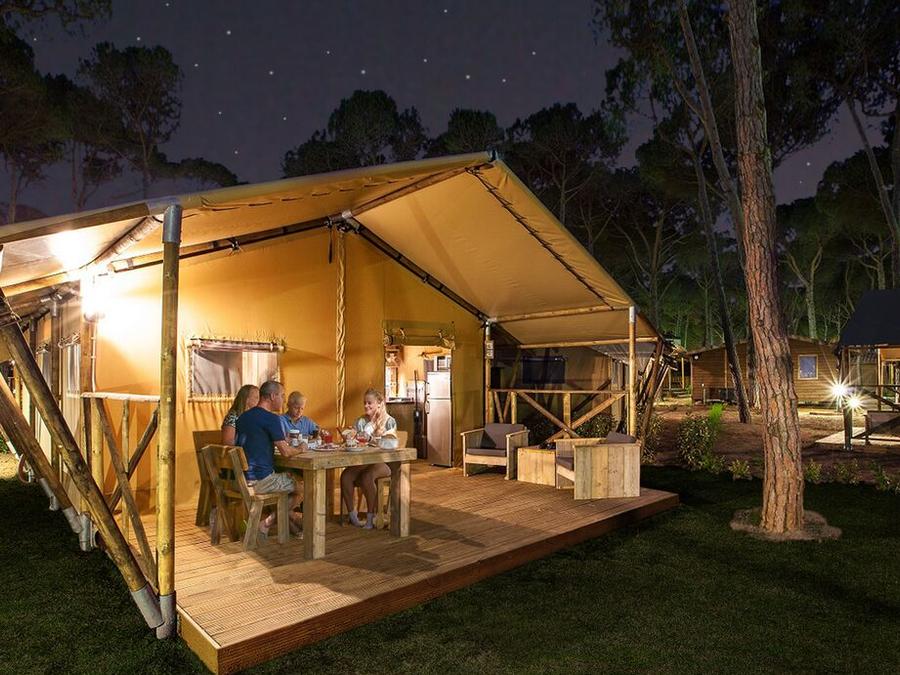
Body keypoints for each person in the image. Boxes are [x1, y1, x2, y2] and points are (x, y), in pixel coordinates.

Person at [236, 380, 303, 538]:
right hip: (261, 481)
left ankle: (292, 524)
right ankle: (266, 522)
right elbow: (285, 452)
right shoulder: (271, 418)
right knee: (303, 486)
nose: (284, 400)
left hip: (242, 479)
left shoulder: (243, 417)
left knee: (289, 481)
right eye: (282, 396)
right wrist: (301, 448)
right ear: (273, 396)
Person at [340, 388, 397, 529]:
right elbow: (354, 438)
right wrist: (349, 436)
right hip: (363, 460)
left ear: (379, 403)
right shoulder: (361, 421)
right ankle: (353, 517)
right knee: (345, 476)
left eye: (369, 403)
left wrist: (371, 439)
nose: (366, 406)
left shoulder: (389, 421)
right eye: (364, 403)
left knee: (367, 477)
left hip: (383, 461)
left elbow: (391, 444)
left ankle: (371, 518)